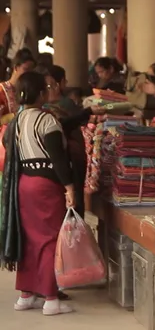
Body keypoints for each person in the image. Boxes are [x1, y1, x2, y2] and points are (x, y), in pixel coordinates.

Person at [0, 71, 75, 315]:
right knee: (50, 241)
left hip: (23, 183)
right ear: (41, 93)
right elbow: (58, 159)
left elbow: (6, 146)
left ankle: (26, 295)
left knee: (30, 239)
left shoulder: (17, 121)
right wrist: (69, 187)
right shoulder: (47, 120)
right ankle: (51, 299)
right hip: (45, 185)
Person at [38, 66, 105, 218]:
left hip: (68, 163)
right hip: (57, 169)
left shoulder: (54, 109)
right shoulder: (44, 116)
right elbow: (63, 128)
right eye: (50, 86)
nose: (56, 89)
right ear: (40, 92)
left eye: (54, 84)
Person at [0, 48, 35, 120]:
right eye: (26, 69)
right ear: (16, 67)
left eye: (31, 71)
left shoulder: (28, 90)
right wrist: (14, 115)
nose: (28, 74)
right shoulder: (1, 90)